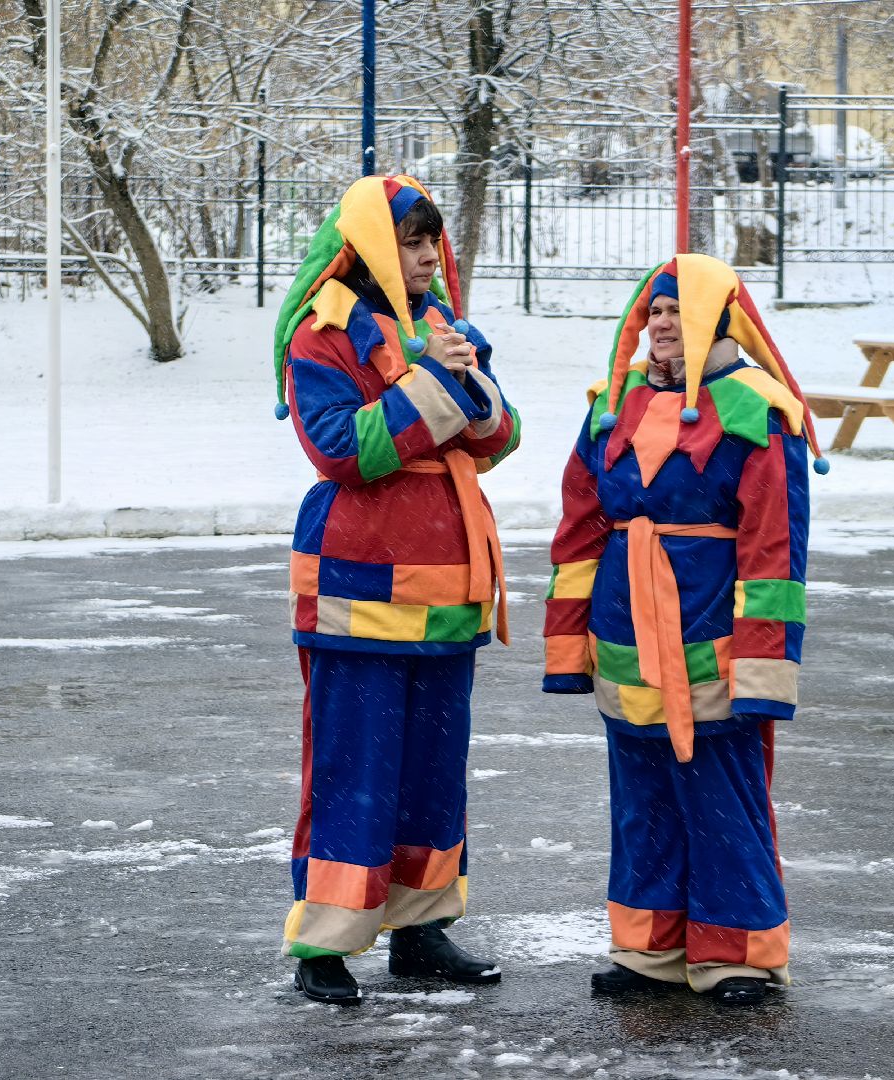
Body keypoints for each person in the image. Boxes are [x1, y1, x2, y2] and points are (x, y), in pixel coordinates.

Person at [542, 253, 827, 1006]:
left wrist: (764, 666)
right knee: (640, 796)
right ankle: (650, 949)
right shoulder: (613, 401)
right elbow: (578, 526)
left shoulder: (757, 410)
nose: (663, 325)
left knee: (720, 794)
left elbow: (775, 551)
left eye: (678, 311)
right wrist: (571, 645)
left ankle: (738, 954)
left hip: (712, 631)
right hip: (623, 628)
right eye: (654, 311)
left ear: (720, 318)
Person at [270, 174, 520, 1006]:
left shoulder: (441, 324)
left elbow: (501, 436)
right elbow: (339, 450)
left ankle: (421, 930)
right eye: (411, 242)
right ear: (376, 245)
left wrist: (470, 380)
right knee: (353, 772)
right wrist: (439, 387)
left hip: (449, 595)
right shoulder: (324, 330)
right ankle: (325, 946)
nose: (426, 257)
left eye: (430, 241)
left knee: (431, 776)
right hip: (357, 596)